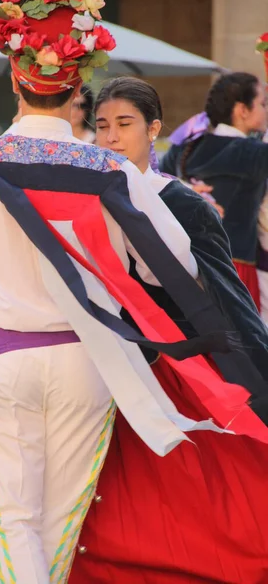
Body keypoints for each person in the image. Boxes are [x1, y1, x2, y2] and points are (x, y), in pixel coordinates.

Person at [0, 0, 268, 582]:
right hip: (90, 359)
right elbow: (177, 258)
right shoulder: (111, 169)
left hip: (5, 359)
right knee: (63, 515)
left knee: (13, 517)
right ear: (79, 83)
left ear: (15, 76)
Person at [68, 76, 268, 584]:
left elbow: (224, 295)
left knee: (204, 493)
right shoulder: (81, 199)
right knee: (119, 501)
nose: (111, 137)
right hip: (106, 365)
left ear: (153, 129)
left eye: (125, 125)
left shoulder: (182, 201)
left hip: (180, 369)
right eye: (103, 126)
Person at [160, 72, 268, 311]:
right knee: (238, 344)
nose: (266, 110)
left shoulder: (186, 146)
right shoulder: (256, 153)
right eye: (263, 103)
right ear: (242, 110)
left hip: (185, 263)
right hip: (234, 268)